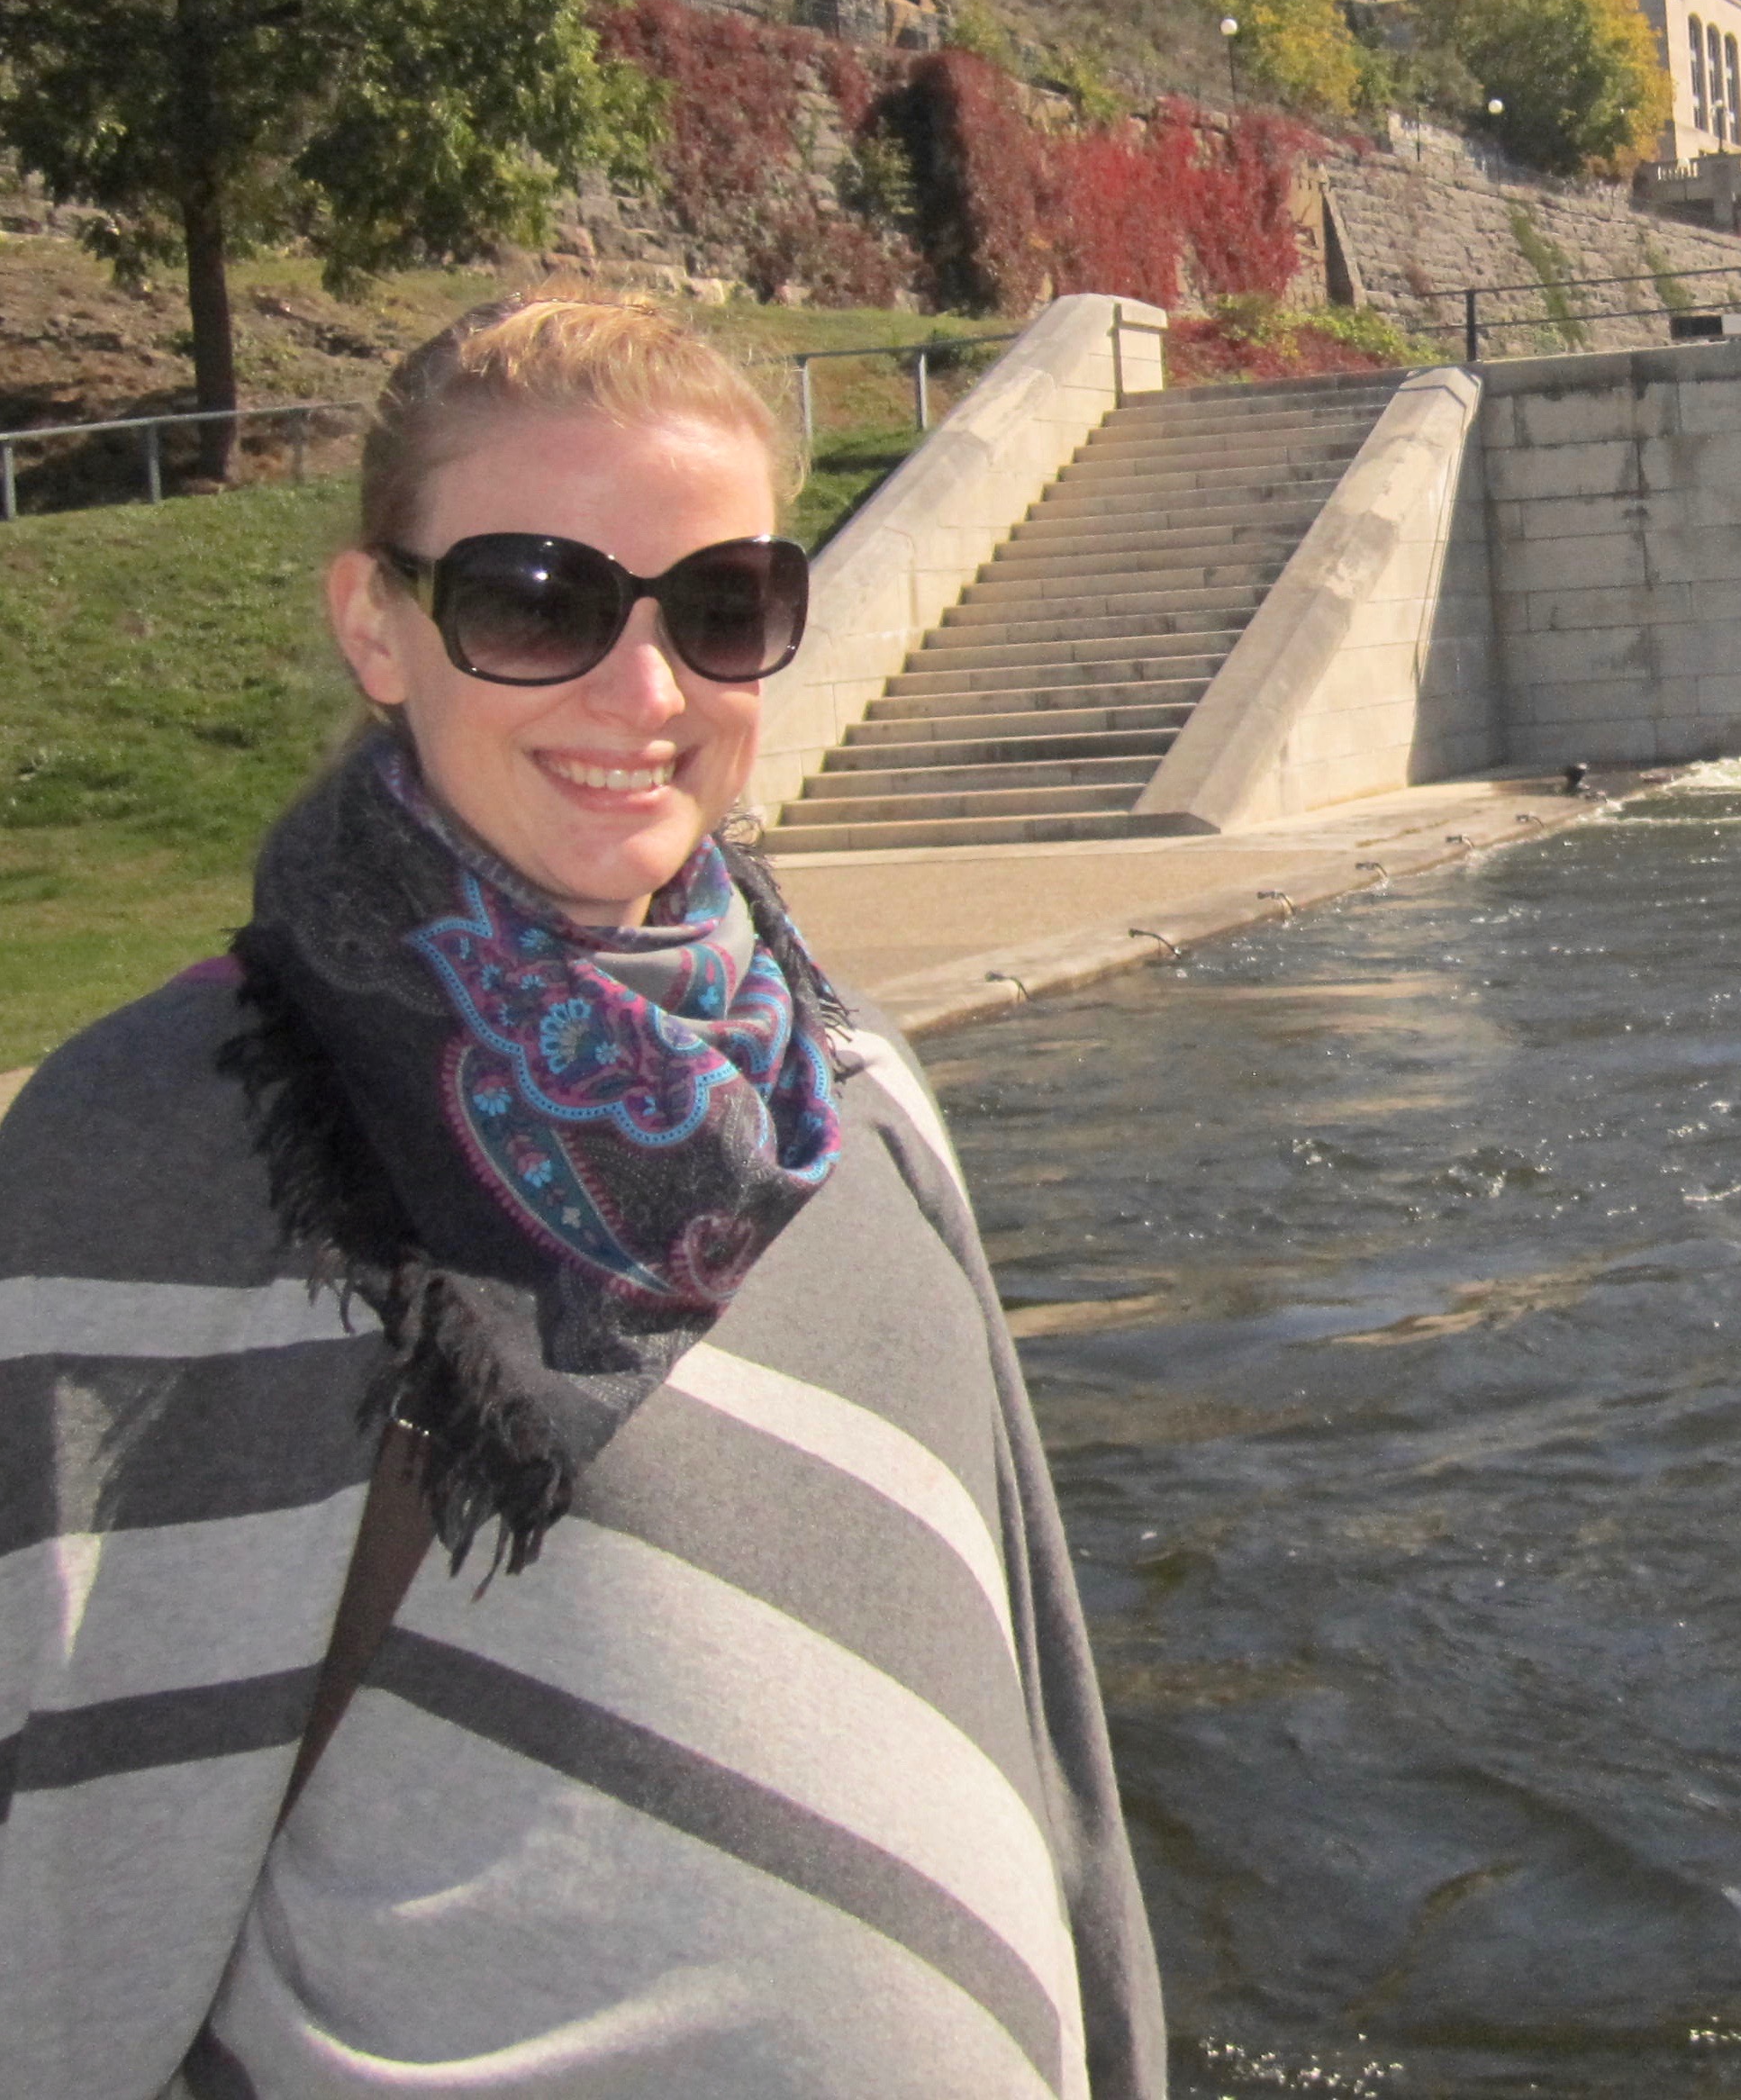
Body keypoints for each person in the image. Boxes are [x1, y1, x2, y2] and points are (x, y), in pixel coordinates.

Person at [0, 298, 1163, 2099]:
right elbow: (53, 1896)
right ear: (377, 627)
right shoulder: (159, 1142)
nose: (647, 693)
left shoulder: (853, 1092)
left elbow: (1035, 1711)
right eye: (537, 602)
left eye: (721, 607)